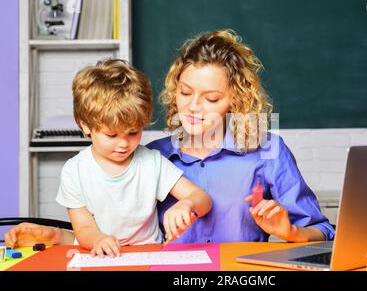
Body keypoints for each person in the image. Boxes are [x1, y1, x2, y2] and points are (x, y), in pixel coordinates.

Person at [5, 30, 333, 247]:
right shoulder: (149, 156)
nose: (193, 107)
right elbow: (120, 237)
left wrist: (290, 232)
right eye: (186, 92)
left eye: (212, 98)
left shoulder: (268, 151)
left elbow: (323, 233)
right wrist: (56, 235)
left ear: (236, 100)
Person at [12, 59, 212, 257]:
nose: (124, 143)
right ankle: (57, 236)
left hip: (148, 254)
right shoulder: (75, 171)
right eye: (112, 135)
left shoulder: (151, 162)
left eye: (133, 132)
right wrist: (98, 239)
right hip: (101, 256)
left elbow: (203, 199)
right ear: (85, 125)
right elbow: (83, 228)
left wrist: (187, 204)